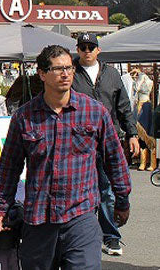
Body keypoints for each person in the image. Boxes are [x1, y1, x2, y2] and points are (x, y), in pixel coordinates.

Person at [0, 45, 131, 269]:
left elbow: (115, 160)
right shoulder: (24, 117)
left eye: (69, 68)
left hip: (81, 217)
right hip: (39, 219)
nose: (65, 74)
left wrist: (122, 200)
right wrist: (2, 207)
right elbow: (10, 168)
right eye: (58, 69)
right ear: (41, 74)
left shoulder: (95, 112)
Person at [71, 32, 138, 257]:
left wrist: (132, 134)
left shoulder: (111, 74)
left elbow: (124, 106)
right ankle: (85, 235)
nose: (87, 50)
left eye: (91, 46)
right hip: (79, 141)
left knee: (108, 191)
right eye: (83, 47)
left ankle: (111, 237)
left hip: (110, 140)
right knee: (82, 190)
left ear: (98, 50)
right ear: (77, 49)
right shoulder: (70, 72)